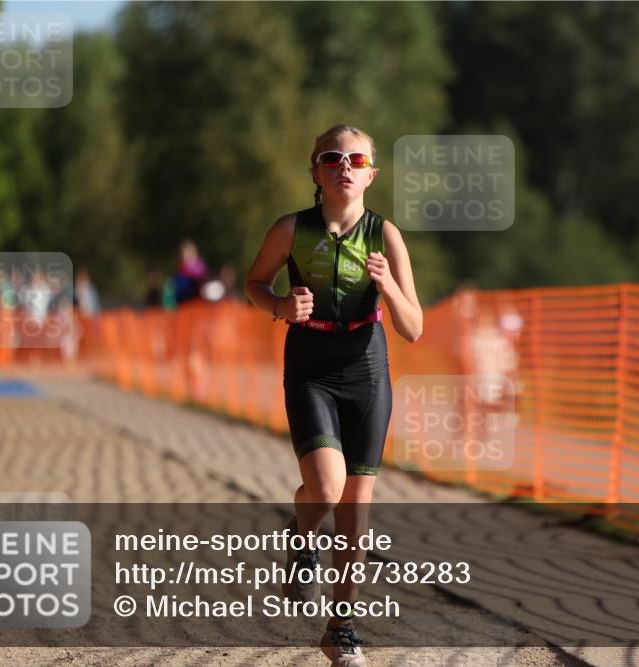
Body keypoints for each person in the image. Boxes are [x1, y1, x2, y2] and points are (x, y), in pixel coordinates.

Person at [244, 124, 422, 666]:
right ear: (316, 171)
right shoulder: (290, 228)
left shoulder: (385, 235)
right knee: (324, 488)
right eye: (331, 157)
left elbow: (413, 326)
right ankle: (302, 534)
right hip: (311, 365)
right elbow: (254, 283)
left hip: (366, 367)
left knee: (356, 510)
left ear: (371, 173)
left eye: (356, 158)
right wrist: (278, 307)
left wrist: (389, 286)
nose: (344, 165)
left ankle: (341, 630)